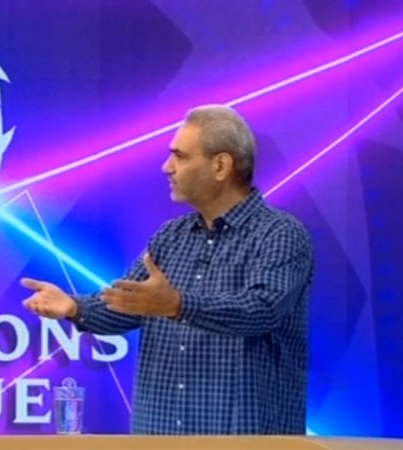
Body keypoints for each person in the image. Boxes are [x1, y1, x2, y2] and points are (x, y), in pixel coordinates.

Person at [21, 104, 314, 434]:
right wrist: (75, 307)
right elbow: (127, 305)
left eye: (180, 156)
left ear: (221, 166)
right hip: (159, 435)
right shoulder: (171, 236)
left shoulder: (280, 234)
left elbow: (261, 311)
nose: (167, 167)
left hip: (240, 438)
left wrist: (177, 305)